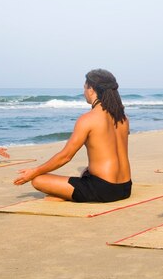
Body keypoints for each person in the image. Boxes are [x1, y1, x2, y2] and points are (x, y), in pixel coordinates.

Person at [13, 69, 132, 203]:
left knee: (38, 180)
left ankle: (67, 195)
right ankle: (68, 194)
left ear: (91, 89)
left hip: (104, 190)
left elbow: (65, 156)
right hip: (125, 188)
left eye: (85, 88)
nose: (84, 93)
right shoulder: (123, 118)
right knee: (86, 172)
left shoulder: (88, 119)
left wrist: (35, 171)